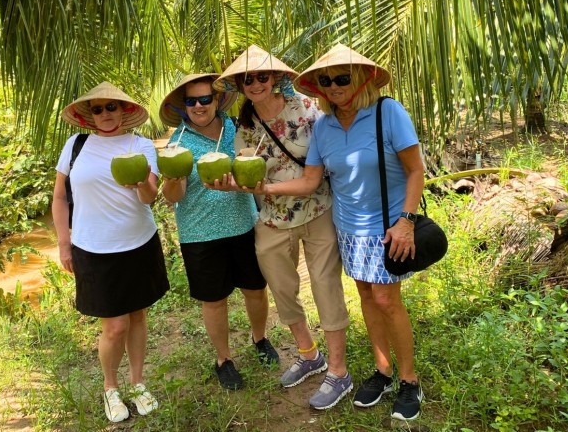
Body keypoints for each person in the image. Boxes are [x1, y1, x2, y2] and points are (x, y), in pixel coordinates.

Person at [257, 44, 427, 421]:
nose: (332, 86)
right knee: (366, 296)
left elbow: (416, 170)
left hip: (388, 227)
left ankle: (409, 379)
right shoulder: (324, 126)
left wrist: (406, 221)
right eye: (325, 81)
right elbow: (310, 181)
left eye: (341, 78)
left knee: (387, 300)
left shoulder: (388, 112)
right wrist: (261, 189)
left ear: (363, 78)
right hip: (348, 228)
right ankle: (383, 370)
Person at [212, 45, 351, 410]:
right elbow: (244, 172)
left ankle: (338, 370)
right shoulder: (243, 126)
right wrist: (229, 182)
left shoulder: (307, 110)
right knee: (283, 290)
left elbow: (313, 176)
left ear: (275, 78)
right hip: (272, 219)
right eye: (247, 79)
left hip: (317, 210)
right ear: (240, 85)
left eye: (261, 76)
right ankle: (309, 354)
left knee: (325, 287)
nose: (255, 83)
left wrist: (263, 187)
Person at [52, 81, 169, 423]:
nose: (105, 114)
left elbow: (151, 197)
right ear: (90, 114)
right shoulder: (75, 145)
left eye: (112, 107)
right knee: (114, 326)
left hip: (138, 243)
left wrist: (140, 184)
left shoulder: (141, 145)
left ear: (125, 111)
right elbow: (60, 198)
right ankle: (110, 387)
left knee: (137, 317)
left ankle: (137, 383)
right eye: (98, 109)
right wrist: (63, 242)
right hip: (93, 247)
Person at [159, 73, 279, 391]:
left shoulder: (237, 129)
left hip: (243, 223)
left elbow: (253, 165)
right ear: (183, 106)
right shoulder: (178, 144)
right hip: (200, 233)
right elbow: (173, 197)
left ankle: (260, 338)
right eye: (191, 101)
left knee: (255, 288)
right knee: (214, 300)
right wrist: (172, 178)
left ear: (217, 100)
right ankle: (224, 359)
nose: (199, 106)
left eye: (205, 98)